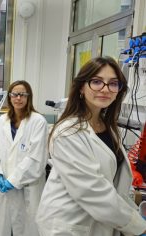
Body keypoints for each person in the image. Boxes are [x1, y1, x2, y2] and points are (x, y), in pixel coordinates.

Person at [36, 56, 146, 236]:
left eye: (113, 83)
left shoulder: (107, 126)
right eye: (96, 82)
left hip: (98, 221)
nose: (105, 89)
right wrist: (138, 225)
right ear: (81, 87)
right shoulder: (68, 132)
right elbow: (93, 191)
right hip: (69, 225)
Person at [0, 80, 48, 236]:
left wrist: (13, 180)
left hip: (28, 184)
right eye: (14, 94)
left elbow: (35, 158)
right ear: (10, 97)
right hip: (4, 182)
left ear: (28, 97)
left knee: (28, 225)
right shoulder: (2, 121)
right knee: (3, 225)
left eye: (22, 94)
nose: (18, 98)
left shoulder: (38, 121)